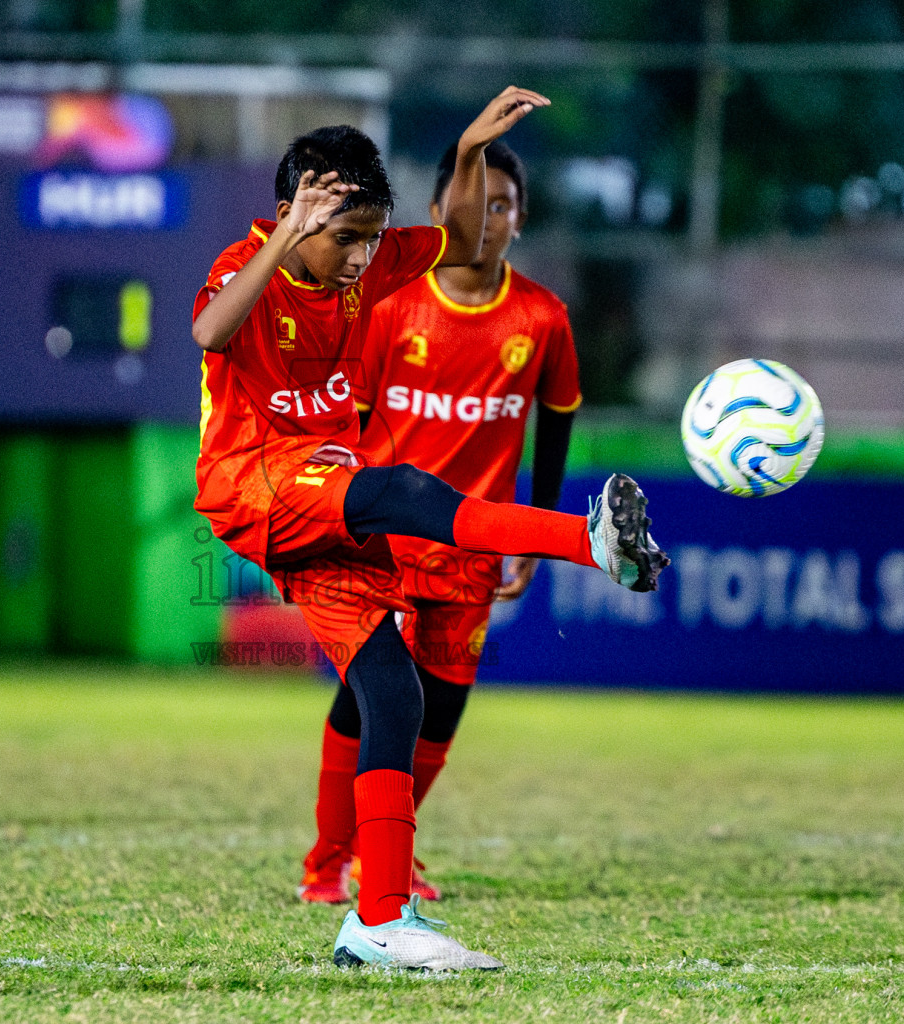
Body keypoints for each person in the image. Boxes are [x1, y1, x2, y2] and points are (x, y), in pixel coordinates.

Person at [191, 86, 669, 971]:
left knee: (396, 694)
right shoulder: (247, 262)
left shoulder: (374, 266)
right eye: (345, 237)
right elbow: (213, 331)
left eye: (372, 236)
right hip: (252, 478)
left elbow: (458, 234)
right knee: (406, 490)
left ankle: (376, 922)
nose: (362, 255)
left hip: (314, 507)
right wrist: (290, 235)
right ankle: (589, 541)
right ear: (293, 217)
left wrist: (467, 149)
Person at [298, 140, 580, 907]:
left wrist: (539, 533)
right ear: (434, 215)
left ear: (521, 219)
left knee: (441, 712)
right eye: (469, 203)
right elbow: (343, 423)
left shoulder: (542, 318)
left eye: (501, 205)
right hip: (385, 543)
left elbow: (555, 423)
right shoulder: (390, 305)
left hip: (473, 551)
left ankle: (385, 854)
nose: (484, 220)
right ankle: (328, 864)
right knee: (372, 698)